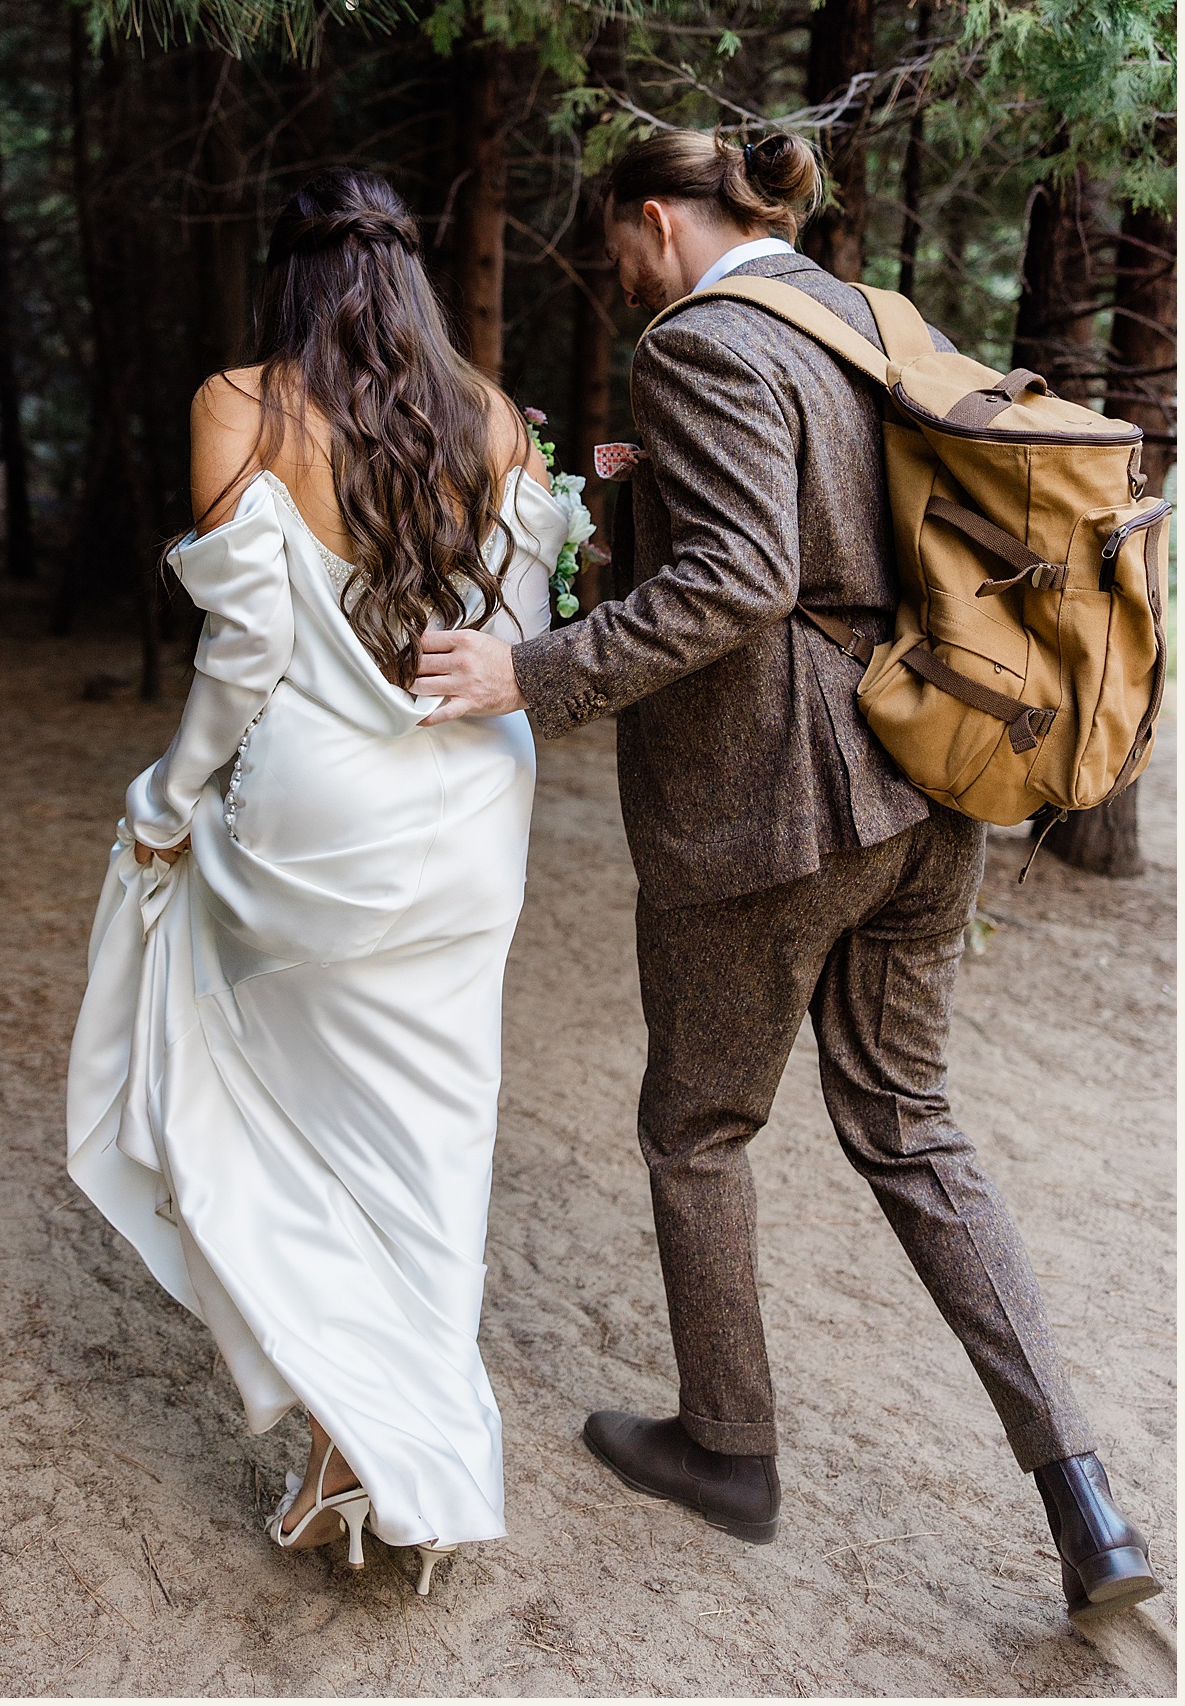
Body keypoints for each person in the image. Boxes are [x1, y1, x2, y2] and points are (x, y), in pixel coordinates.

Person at [409, 126, 1162, 1620]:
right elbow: (836, 532)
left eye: (618, 243)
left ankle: (729, 1449)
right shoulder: (858, 318)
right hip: (930, 787)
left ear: (652, 221)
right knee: (914, 1127)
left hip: (773, 809)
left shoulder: (699, 343)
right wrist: (640, 499)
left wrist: (527, 668)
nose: (619, 274)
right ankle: (1088, 1503)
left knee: (696, 1127)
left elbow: (746, 580)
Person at [65, 169, 567, 1594]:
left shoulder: (244, 404)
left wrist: (165, 802)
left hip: (317, 823)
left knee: (261, 1116)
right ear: (408, 275)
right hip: (474, 813)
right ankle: (389, 1440)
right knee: (430, 1146)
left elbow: (242, 660)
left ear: (287, 277)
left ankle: (361, 1427)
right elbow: (514, 636)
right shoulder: (498, 416)